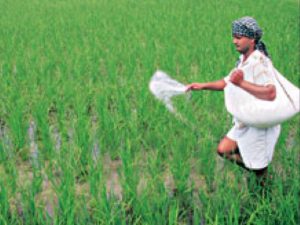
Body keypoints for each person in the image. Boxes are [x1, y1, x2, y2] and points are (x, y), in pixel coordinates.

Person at [186, 17, 281, 186]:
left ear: (251, 39)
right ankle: (259, 172)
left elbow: (271, 91)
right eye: (233, 36)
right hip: (245, 119)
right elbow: (227, 82)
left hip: (259, 122)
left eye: (239, 37)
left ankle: (265, 185)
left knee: (257, 166)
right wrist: (201, 86)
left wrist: (242, 83)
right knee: (223, 149)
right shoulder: (242, 59)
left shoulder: (260, 63)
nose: (234, 41)